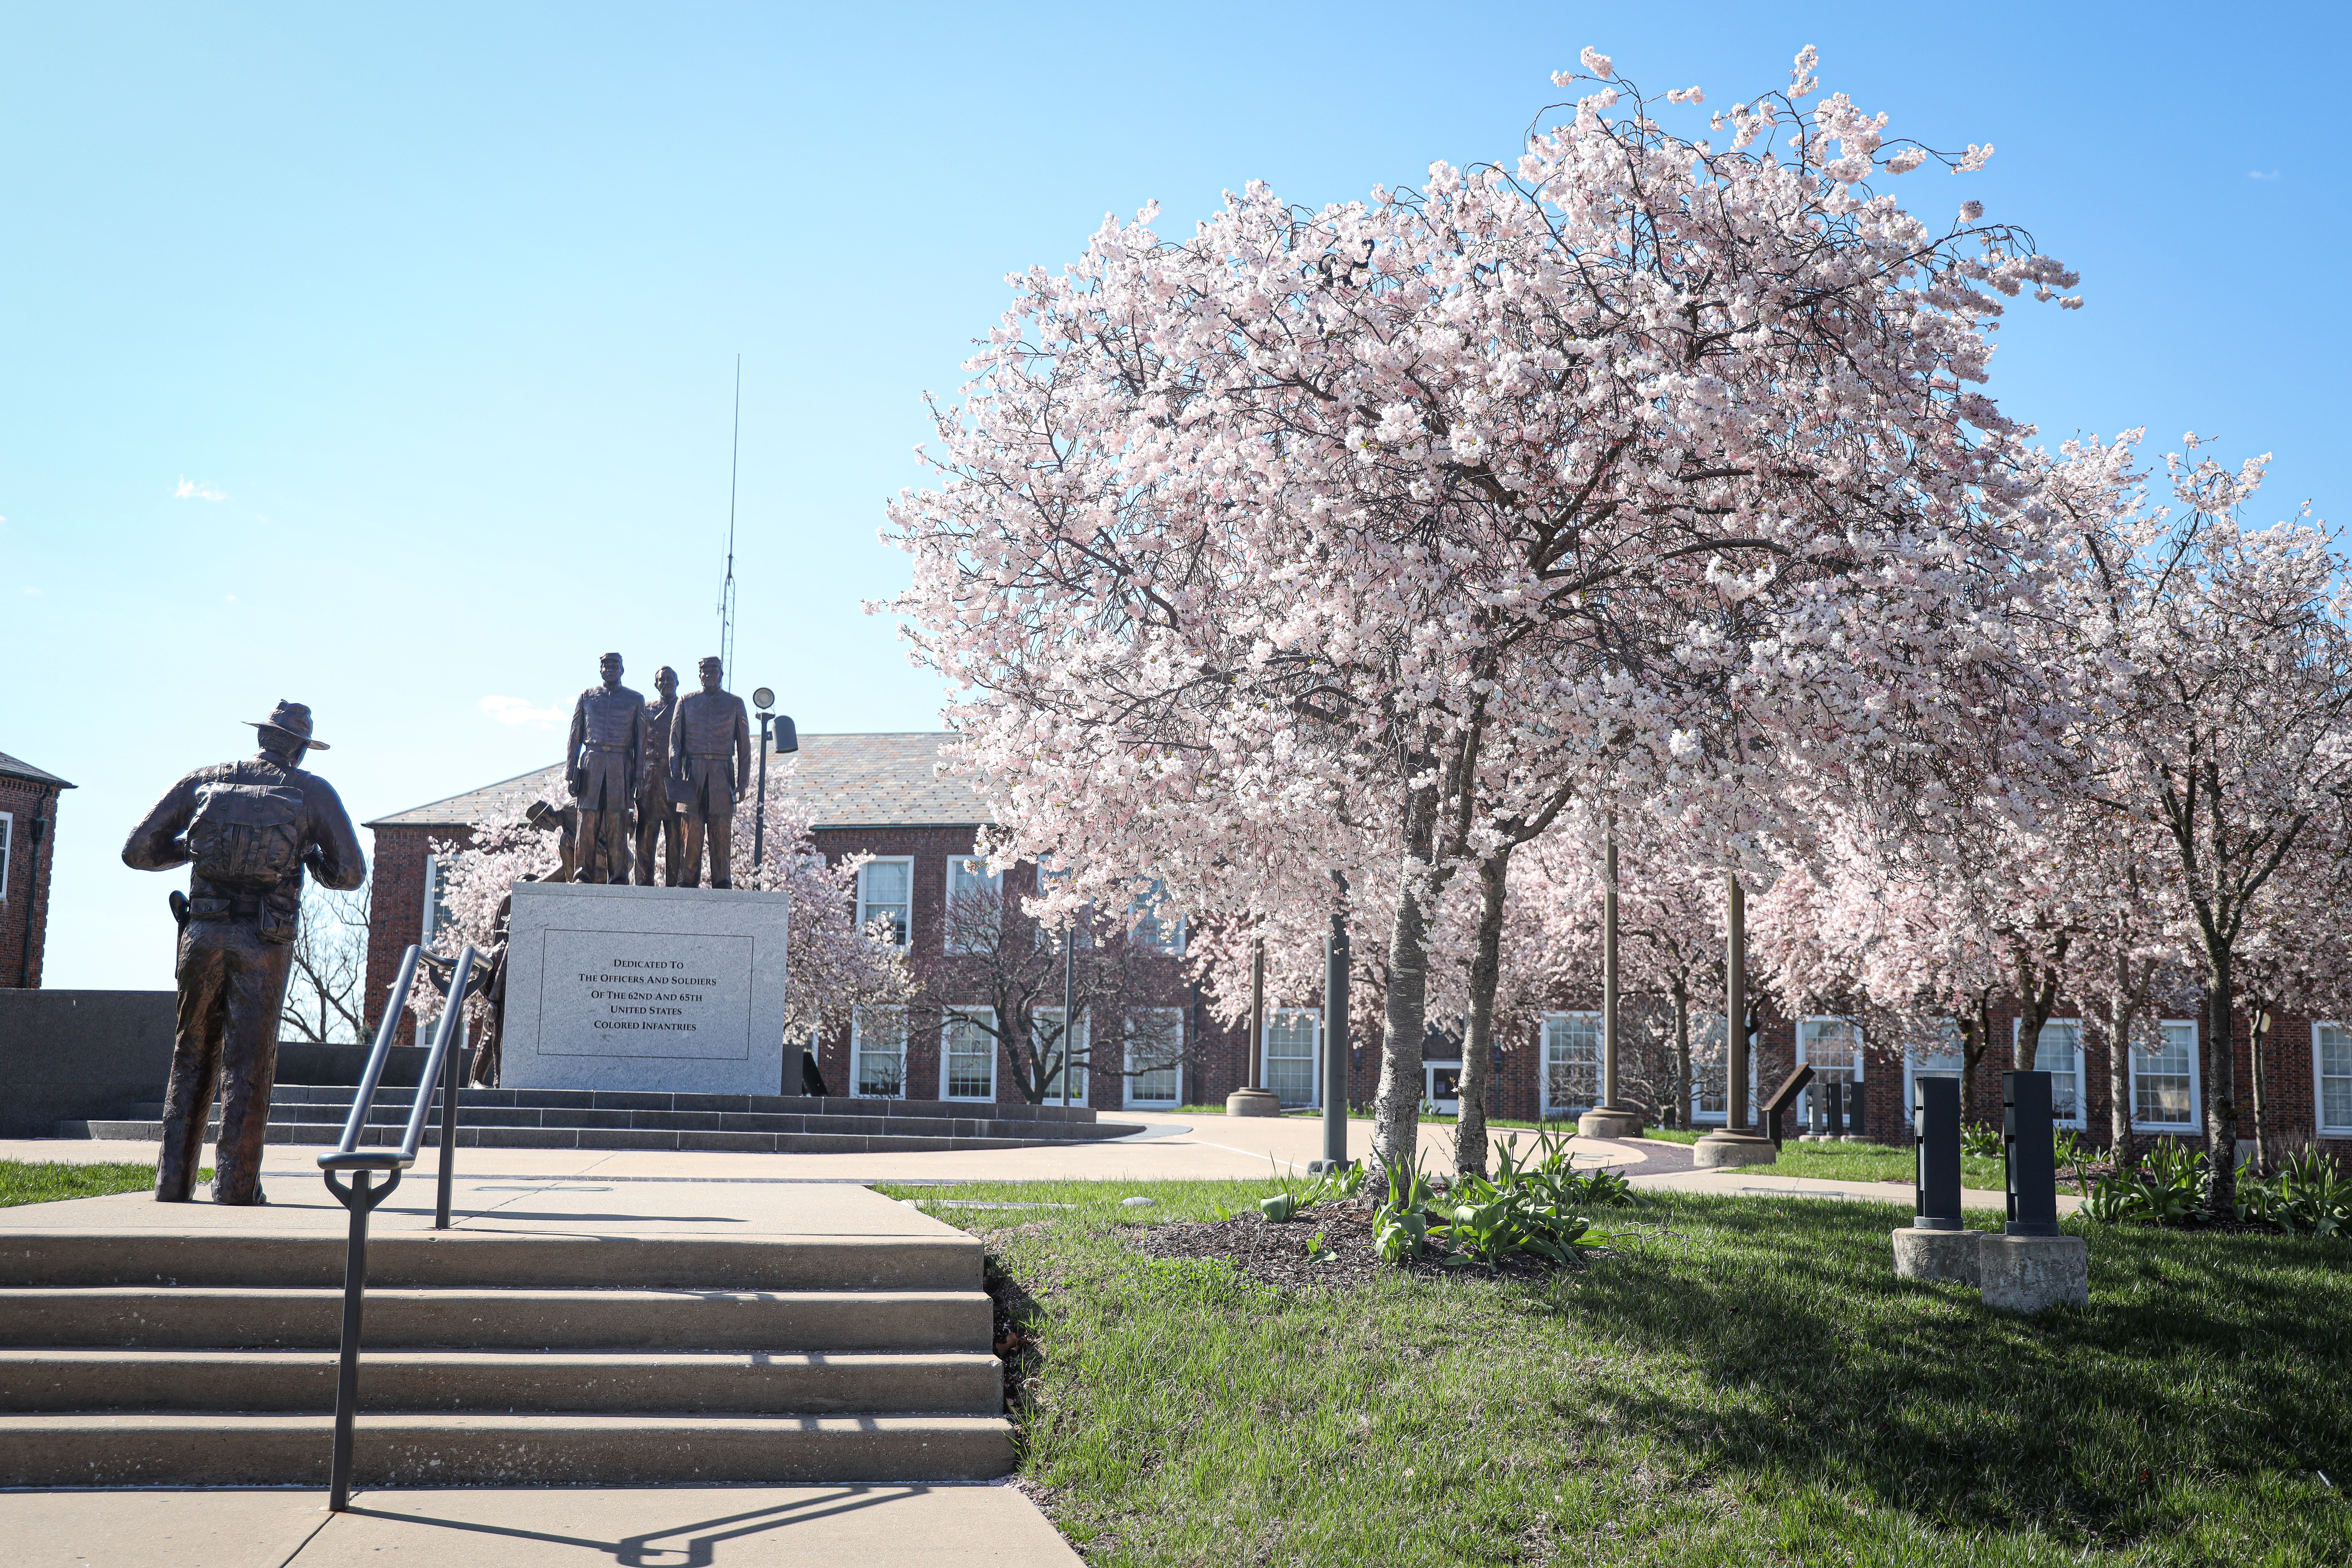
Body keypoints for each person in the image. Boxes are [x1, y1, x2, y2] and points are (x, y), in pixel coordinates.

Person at [122, 701, 365, 1204]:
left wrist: (191, 850)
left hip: (202, 934)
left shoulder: (204, 779)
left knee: (189, 1057)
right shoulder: (312, 792)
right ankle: (234, 1189)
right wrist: (310, 858)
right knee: (248, 1063)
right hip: (264, 940)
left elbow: (138, 849)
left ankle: (172, 1184)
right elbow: (351, 873)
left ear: (262, 737)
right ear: (298, 748)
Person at [666, 656, 751, 888]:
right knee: (691, 830)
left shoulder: (735, 704)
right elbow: (675, 741)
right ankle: (687, 878)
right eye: (705, 671)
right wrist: (676, 774)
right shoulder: (686, 702)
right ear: (700, 675)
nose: (709, 675)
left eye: (714, 671)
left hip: (722, 774)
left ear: (721, 674)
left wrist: (742, 783)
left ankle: (723, 879)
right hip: (692, 774)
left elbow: (744, 747)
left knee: (721, 830)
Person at [564, 652, 642, 883]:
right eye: (606, 666)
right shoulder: (588, 696)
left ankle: (618, 876)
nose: (610, 669)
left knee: (618, 823)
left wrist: (638, 777)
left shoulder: (635, 699)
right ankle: (583, 874)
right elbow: (575, 737)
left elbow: (640, 742)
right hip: (592, 765)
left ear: (622, 669)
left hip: (620, 765)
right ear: (600, 670)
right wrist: (570, 773)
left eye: (614, 665)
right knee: (587, 822)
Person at [633, 665, 683, 886]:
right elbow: (635, 745)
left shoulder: (685, 707)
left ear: (677, 683)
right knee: (646, 831)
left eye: (670, 679)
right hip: (650, 776)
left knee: (676, 833)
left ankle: (676, 884)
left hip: (675, 777)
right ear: (656, 685)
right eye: (662, 680)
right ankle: (644, 883)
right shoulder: (646, 709)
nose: (667, 683)